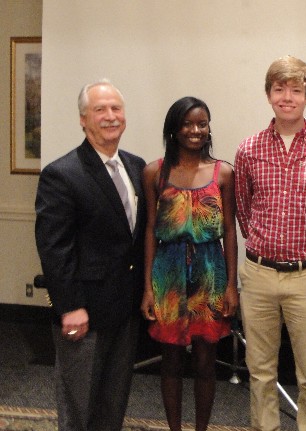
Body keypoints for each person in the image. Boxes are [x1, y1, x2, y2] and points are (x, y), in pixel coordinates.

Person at [235, 55, 306, 431]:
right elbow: (244, 210)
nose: (287, 97)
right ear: (269, 94)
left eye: (295, 90)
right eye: (279, 89)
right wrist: (263, 242)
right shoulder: (248, 150)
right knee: (260, 371)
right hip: (258, 275)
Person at [35, 79, 146, 431]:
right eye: (100, 110)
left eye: (116, 108)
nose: (110, 117)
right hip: (84, 312)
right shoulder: (61, 174)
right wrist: (69, 307)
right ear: (83, 119)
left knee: (113, 403)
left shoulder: (136, 166)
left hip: (124, 309)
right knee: (78, 406)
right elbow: (54, 248)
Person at [140, 97, 238, 431]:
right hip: (167, 273)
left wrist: (230, 287)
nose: (195, 130)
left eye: (202, 124)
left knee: (206, 361)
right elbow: (151, 230)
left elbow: (229, 230)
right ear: (174, 128)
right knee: (170, 360)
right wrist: (148, 290)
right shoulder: (155, 172)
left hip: (210, 271)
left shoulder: (223, 172)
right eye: (187, 124)